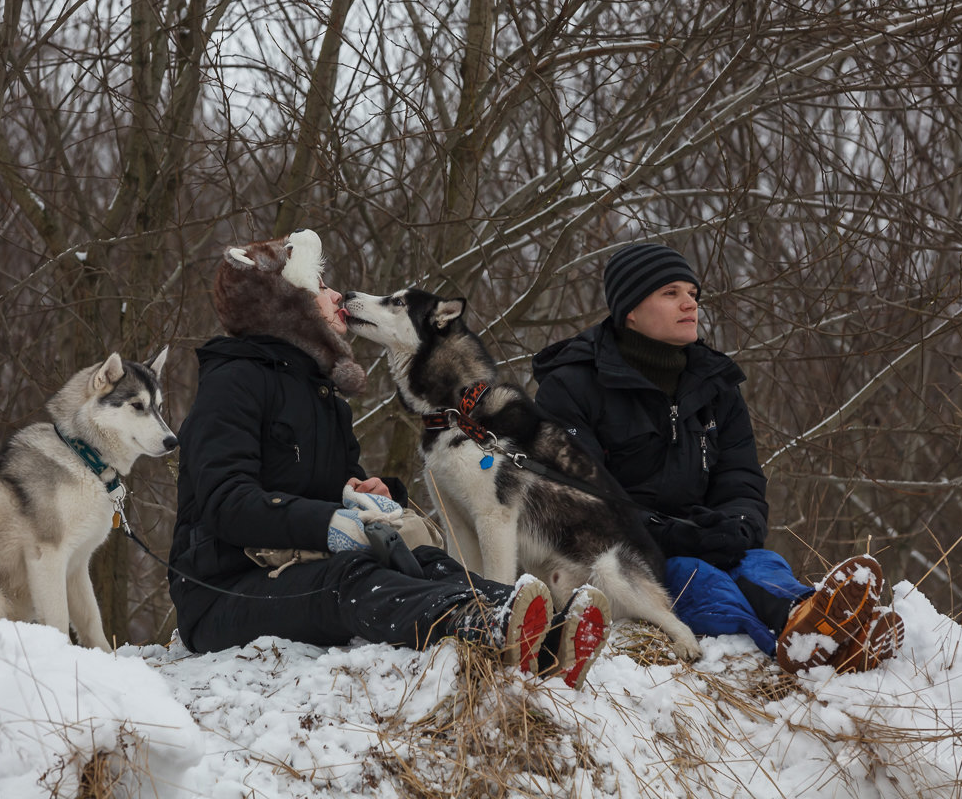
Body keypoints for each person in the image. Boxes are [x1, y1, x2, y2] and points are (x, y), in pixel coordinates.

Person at [167, 231, 610, 689]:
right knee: (352, 577)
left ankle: (550, 627)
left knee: (423, 559)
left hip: (296, 568)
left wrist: (365, 492)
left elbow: (328, 488)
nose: (337, 295)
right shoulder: (232, 382)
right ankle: (487, 628)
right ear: (285, 303)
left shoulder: (322, 396)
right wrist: (331, 523)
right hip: (223, 592)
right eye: (320, 287)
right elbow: (226, 503)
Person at [532, 243, 904, 674]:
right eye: (671, 292)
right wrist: (674, 535)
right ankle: (797, 632)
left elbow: (740, 475)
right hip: (621, 559)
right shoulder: (571, 386)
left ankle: (822, 617)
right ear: (630, 310)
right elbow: (582, 498)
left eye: (692, 292)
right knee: (699, 576)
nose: (690, 303)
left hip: (705, 534)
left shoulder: (714, 383)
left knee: (762, 563)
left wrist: (740, 525)